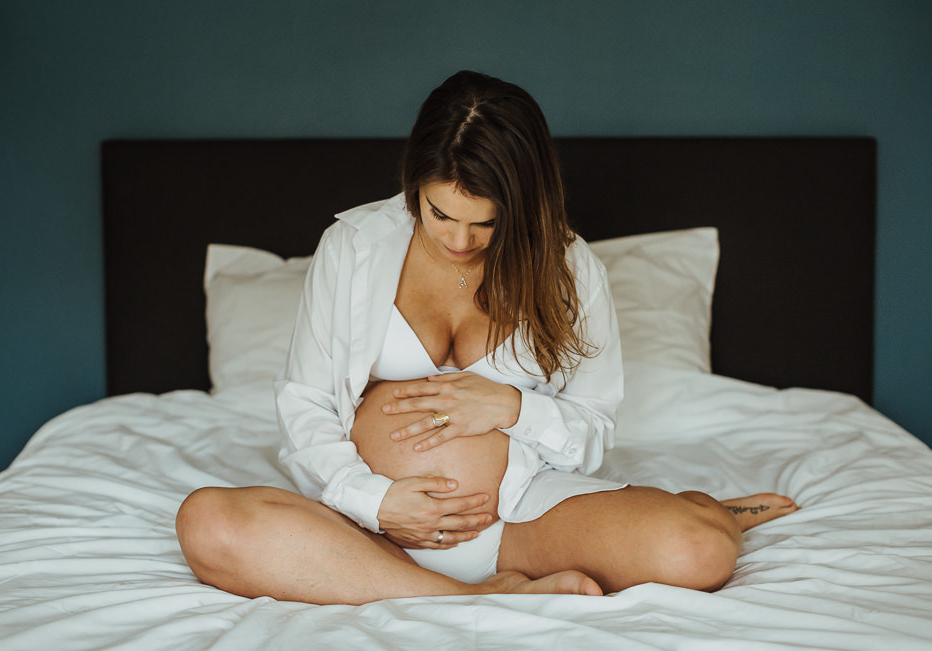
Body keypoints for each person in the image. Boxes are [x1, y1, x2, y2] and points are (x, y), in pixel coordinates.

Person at [175, 70, 797, 605]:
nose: (459, 241)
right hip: (364, 530)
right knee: (205, 522)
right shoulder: (355, 246)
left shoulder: (570, 268)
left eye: (486, 223)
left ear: (522, 203)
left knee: (701, 551)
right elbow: (306, 402)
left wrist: (510, 405)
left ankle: (706, 508)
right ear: (414, 181)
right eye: (440, 214)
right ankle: (472, 596)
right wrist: (377, 500)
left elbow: (593, 430)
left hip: (521, 516)